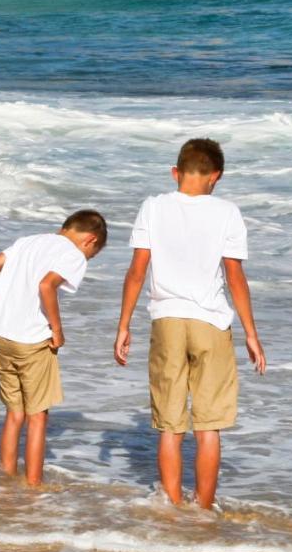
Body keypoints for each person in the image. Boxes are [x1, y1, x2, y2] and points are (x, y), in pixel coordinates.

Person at [114, 138, 266, 510]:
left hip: (166, 320)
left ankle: (171, 508)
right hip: (210, 323)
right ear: (217, 176)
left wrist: (123, 325)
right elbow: (235, 278)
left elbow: (137, 271)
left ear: (175, 173)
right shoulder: (227, 212)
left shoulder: (152, 207)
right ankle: (203, 511)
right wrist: (251, 333)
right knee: (208, 426)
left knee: (170, 425)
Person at [0, 210, 108, 486]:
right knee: (37, 417)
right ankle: (34, 487)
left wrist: (4, 306)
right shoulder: (72, 254)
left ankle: (7, 478)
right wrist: (57, 330)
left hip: (3, 333)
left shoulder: (28, 241)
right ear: (90, 240)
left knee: (15, 412)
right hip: (32, 340)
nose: (87, 259)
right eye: (92, 255)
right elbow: (46, 285)